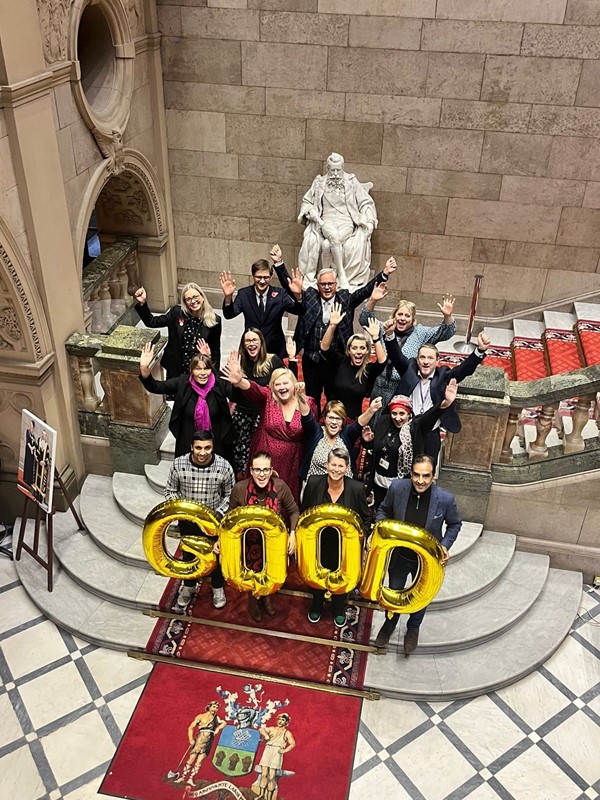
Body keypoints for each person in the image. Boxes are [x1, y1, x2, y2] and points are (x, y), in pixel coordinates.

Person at [273, 255, 396, 409]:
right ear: (318, 285)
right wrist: (279, 263)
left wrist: (384, 273)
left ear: (336, 285)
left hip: (336, 360)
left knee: (334, 397)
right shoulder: (310, 296)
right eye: (323, 284)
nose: (326, 287)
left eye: (330, 283)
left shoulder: (344, 299)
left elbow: (364, 291)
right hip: (312, 358)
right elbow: (291, 286)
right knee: (312, 397)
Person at [372, 454, 462, 653]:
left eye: (426, 476)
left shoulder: (446, 499)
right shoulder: (397, 488)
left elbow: (455, 524)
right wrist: (381, 528)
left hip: (427, 563)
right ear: (411, 473)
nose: (420, 481)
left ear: (433, 476)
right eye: (416, 475)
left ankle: (413, 629)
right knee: (394, 592)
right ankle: (389, 623)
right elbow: (383, 510)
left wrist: (445, 545)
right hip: (400, 556)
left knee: (421, 598)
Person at [385, 328, 491, 463]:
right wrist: (389, 335)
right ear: (417, 360)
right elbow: (396, 356)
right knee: (402, 463)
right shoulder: (409, 369)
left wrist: (480, 351)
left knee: (428, 466)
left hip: (431, 433)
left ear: (437, 361)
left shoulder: (443, 375)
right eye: (422, 357)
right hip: (407, 429)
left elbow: (464, 370)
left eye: (430, 358)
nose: (425, 361)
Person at [222, 354, 317, 503]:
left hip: (292, 463)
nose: (282, 387)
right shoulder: (269, 398)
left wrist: (300, 398)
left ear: (294, 383)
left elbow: (311, 428)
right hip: (264, 458)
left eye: (285, 383)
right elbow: (254, 389)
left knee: (285, 501)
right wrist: (240, 381)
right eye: (277, 384)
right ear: (272, 387)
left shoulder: (308, 402)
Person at [359, 278, 456, 416]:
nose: (402, 318)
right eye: (400, 314)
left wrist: (448, 316)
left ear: (413, 319)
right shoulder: (384, 328)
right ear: (394, 315)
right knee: (376, 420)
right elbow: (364, 319)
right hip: (380, 385)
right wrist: (372, 301)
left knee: (399, 421)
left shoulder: (421, 333)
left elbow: (446, 332)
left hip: (404, 386)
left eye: (407, 315)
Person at [164, 430, 235, 609]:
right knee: (188, 554)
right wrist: (180, 509)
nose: (202, 452)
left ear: (212, 447)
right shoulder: (178, 465)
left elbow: (230, 495)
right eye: (198, 448)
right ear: (191, 447)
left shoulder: (224, 466)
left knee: (217, 554)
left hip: (214, 520)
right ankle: (189, 586)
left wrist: (218, 513)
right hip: (188, 521)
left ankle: (217, 587)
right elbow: (170, 491)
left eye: (207, 448)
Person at [301, 449, 371, 627]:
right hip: (318, 544)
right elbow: (305, 512)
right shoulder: (313, 482)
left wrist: (362, 544)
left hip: (345, 548)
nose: (336, 469)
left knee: (341, 579)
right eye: (333, 464)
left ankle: (338, 609)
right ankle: (317, 604)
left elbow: (365, 517)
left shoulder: (356, 488)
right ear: (327, 465)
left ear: (347, 468)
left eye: (341, 466)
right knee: (317, 575)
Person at [363, 380, 458, 509]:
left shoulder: (415, 426)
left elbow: (430, 417)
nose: (397, 418)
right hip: (379, 481)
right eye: (394, 413)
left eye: (402, 414)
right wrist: (368, 441)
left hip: (402, 485)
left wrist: (445, 403)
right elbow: (377, 448)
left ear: (409, 413)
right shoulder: (384, 421)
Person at [228, 452, 299, 622]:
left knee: (271, 573)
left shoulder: (281, 487)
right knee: (252, 574)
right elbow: (230, 519)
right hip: (249, 543)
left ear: (271, 470)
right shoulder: (239, 489)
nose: (262, 474)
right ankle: (253, 600)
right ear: (251, 471)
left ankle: (267, 596)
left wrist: (293, 534)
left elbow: (294, 511)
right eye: (258, 470)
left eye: (265, 470)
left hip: (274, 543)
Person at [139, 342, 234, 459]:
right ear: (191, 370)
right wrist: (144, 369)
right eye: (198, 369)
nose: (203, 373)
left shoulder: (219, 383)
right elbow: (156, 387)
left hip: (216, 446)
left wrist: (239, 382)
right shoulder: (182, 383)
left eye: (206, 369)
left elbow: (238, 396)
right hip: (187, 445)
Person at [297, 152, 377, 288]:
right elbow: (307, 202)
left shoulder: (352, 182)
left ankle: (325, 277)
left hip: (346, 221)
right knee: (332, 237)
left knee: (327, 245)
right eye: (332, 170)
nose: (335, 174)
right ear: (327, 168)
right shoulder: (319, 183)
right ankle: (341, 274)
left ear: (343, 167)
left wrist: (369, 220)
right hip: (326, 221)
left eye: (338, 170)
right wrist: (310, 210)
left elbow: (366, 202)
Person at [219, 253, 305, 360]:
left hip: (275, 350)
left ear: (271, 277)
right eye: (259, 277)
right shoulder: (244, 294)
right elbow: (229, 314)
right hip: (252, 350)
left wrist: (298, 296)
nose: (262, 281)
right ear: (253, 276)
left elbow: (300, 310)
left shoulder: (280, 294)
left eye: (266, 277)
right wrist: (228, 297)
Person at [230, 328, 289, 477]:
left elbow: (287, 382)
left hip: (264, 416)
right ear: (243, 345)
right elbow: (234, 397)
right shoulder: (239, 363)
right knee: (241, 457)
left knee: (262, 456)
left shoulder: (273, 360)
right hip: (242, 415)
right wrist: (235, 381)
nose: (251, 344)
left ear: (261, 342)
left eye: (254, 340)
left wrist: (293, 359)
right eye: (247, 341)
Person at [134, 283, 222, 376]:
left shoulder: (214, 320)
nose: (193, 301)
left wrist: (215, 376)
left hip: (198, 370)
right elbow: (152, 322)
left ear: (203, 297)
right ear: (185, 302)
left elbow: (215, 350)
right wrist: (142, 303)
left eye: (195, 297)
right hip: (176, 369)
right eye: (188, 299)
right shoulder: (176, 313)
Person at [320, 304, 387, 420]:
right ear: (349, 350)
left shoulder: (368, 369)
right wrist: (332, 325)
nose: (358, 352)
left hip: (353, 421)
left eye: (362, 348)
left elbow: (382, 361)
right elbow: (324, 347)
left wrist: (375, 338)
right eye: (354, 348)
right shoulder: (340, 361)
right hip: (331, 416)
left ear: (367, 351)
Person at [299, 396, 383, 483]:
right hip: (315, 488)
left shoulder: (346, 433)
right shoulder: (315, 432)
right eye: (331, 418)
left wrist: (371, 410)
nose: (334, 422)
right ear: (324, 419)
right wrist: (299, 395)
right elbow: (306, 416)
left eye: (338, 418)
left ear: (343, 421)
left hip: (343, 489)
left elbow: (359, 423)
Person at [173, 701, 226, 787]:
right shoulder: (201, 716)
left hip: (209, 740)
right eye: (214, 707)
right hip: (200, 738)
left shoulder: (216, 718)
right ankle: (183, 776)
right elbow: (190, 727)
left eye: (217, 707)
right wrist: (191, 739)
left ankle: (191, 778)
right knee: (192, 758)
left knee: (200, 760)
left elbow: (224, 723)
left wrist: (218, 729)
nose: (215, 709)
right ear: (209, 707)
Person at [252, 713, 296, 800]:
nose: (280, 721)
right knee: (264, 774)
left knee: (271, 777)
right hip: (268, 750)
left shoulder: (287, 733)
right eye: (279, 719)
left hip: (277, 753)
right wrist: (266, 735)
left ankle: (269, 797)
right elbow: (261, 729)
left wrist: (284, 750)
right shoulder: (272, 728)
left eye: (283, 720)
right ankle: (261, 795)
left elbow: (292, 744)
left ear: (286, 722)